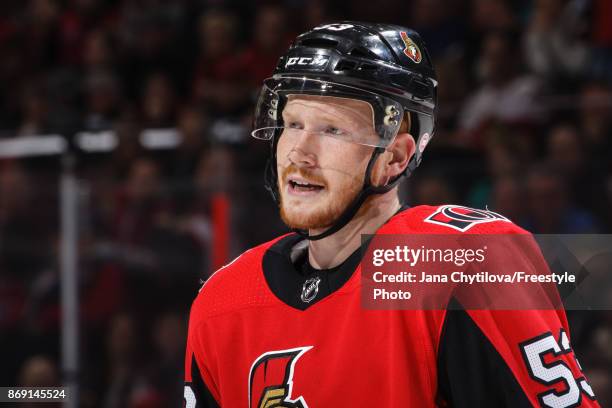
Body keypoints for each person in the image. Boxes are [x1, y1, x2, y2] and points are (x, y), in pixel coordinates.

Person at [184, 22, 599, 407]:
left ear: (396, 157)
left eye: (332, 130)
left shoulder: (455, 263)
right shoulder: (222, 300)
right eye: (293, 124)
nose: (299, 153)